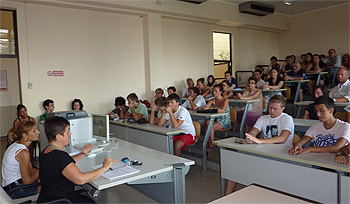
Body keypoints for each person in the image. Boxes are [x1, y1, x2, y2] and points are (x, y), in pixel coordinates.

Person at [37, 116, 116, 203]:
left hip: (48, 198)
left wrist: (83, 153)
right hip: (62, 201)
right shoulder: (60, 156)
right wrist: (104, 168)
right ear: (59, 137)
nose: (70, 134)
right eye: (67, 131)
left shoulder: (47, 150)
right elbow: (80, 180)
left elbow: (65, 163)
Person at [226, 95, 294, 195]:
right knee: (235, 169)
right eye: (270, 108)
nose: (272, 111)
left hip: (282, 155)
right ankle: (226, 198)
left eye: (276, 109)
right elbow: (254, 131)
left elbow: (282, 138)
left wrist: (260, 141)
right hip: (264, 153)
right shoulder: (263, 118)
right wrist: (250, 136)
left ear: (282, 109)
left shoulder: (287, 119)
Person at [2, 121, 40, 199]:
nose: (38, 132)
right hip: (16, 190)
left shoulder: (17, 145)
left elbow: (31, 169)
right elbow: (27, 181)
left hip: (10, 186)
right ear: (24, 135)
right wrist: (41, 170)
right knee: (50, 186)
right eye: (34, 131)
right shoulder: (23, 152)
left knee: (47, 178)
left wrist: (44, 171)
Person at [202, 84, 231, 152]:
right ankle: (212, 143)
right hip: (217, 120)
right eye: (213, 91)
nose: (214, 93)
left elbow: (222, 110)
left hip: (225, 121)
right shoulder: (213, 100)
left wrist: (211, 108)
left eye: (216, 91)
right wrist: (206, 108)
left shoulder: (225, 100)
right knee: (208, 123)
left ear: (220, 92)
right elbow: (204, 107)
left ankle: (211, 144)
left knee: (208, 128)